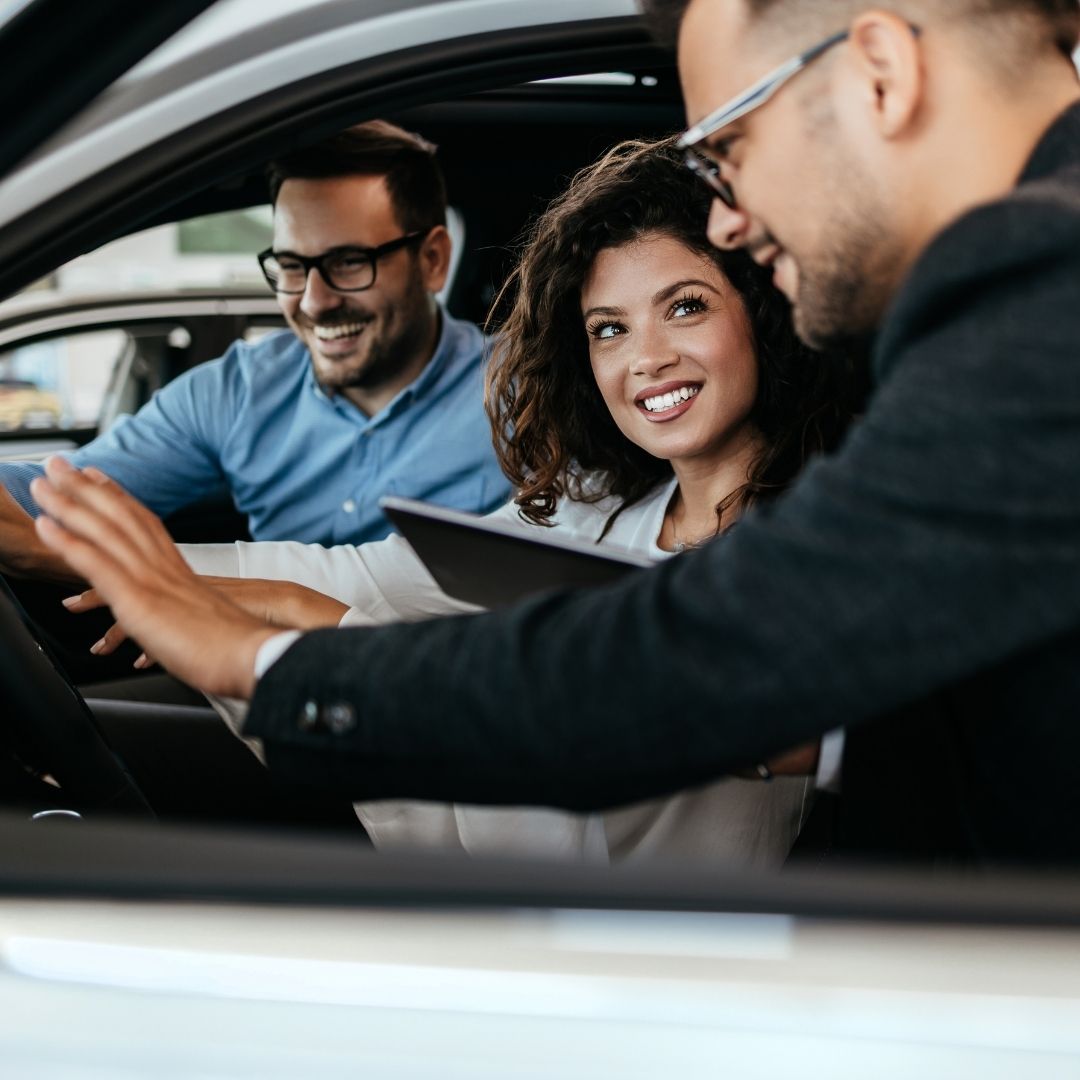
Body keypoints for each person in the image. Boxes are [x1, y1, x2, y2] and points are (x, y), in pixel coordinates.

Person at [30, 0, 1080, 866]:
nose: (728, 218)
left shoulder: (1042, 301)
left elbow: (688, 666)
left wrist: (265, 659)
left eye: (732, 148)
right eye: (608, 329)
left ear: (883, 73)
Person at [69, 138, 858, 865]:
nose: (645, 359)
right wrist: (137, 570)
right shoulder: (601, 511)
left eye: (685, 306)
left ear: (761, 314)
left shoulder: (815, 552)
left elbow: (576, 715)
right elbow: (383, 577)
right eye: (608, 329)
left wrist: (302, 624)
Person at [0, 120, 509, 582]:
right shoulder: (237, 390)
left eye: (350, 262)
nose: (314, 301)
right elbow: (66, 493)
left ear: (433, 260)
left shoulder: (526, 392)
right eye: (291, 265)